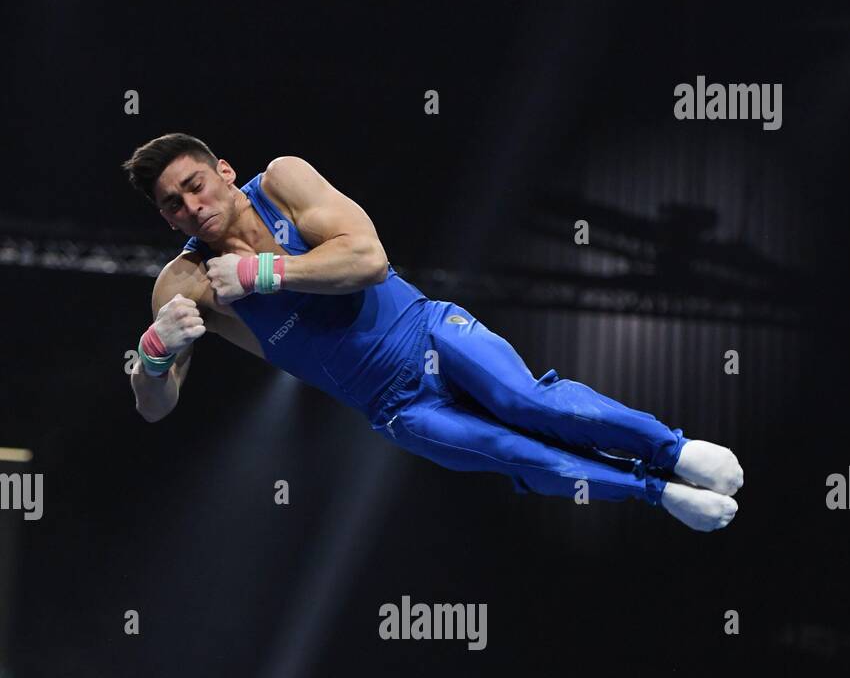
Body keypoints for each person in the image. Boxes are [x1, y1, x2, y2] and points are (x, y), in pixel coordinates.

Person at [123, 133, 742, 531]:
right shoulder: (185, 283)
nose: (189, 205)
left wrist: (263, 272)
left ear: (224, 171)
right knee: (521, 458)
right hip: (394, 407)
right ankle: (655, 491)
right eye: (171, 204)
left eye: (194, 184)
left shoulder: (282, 183)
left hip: (428, 333)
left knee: (525, 403)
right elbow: (154, 410)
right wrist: (154, 355)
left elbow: (368, 262)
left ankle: (670, 448)